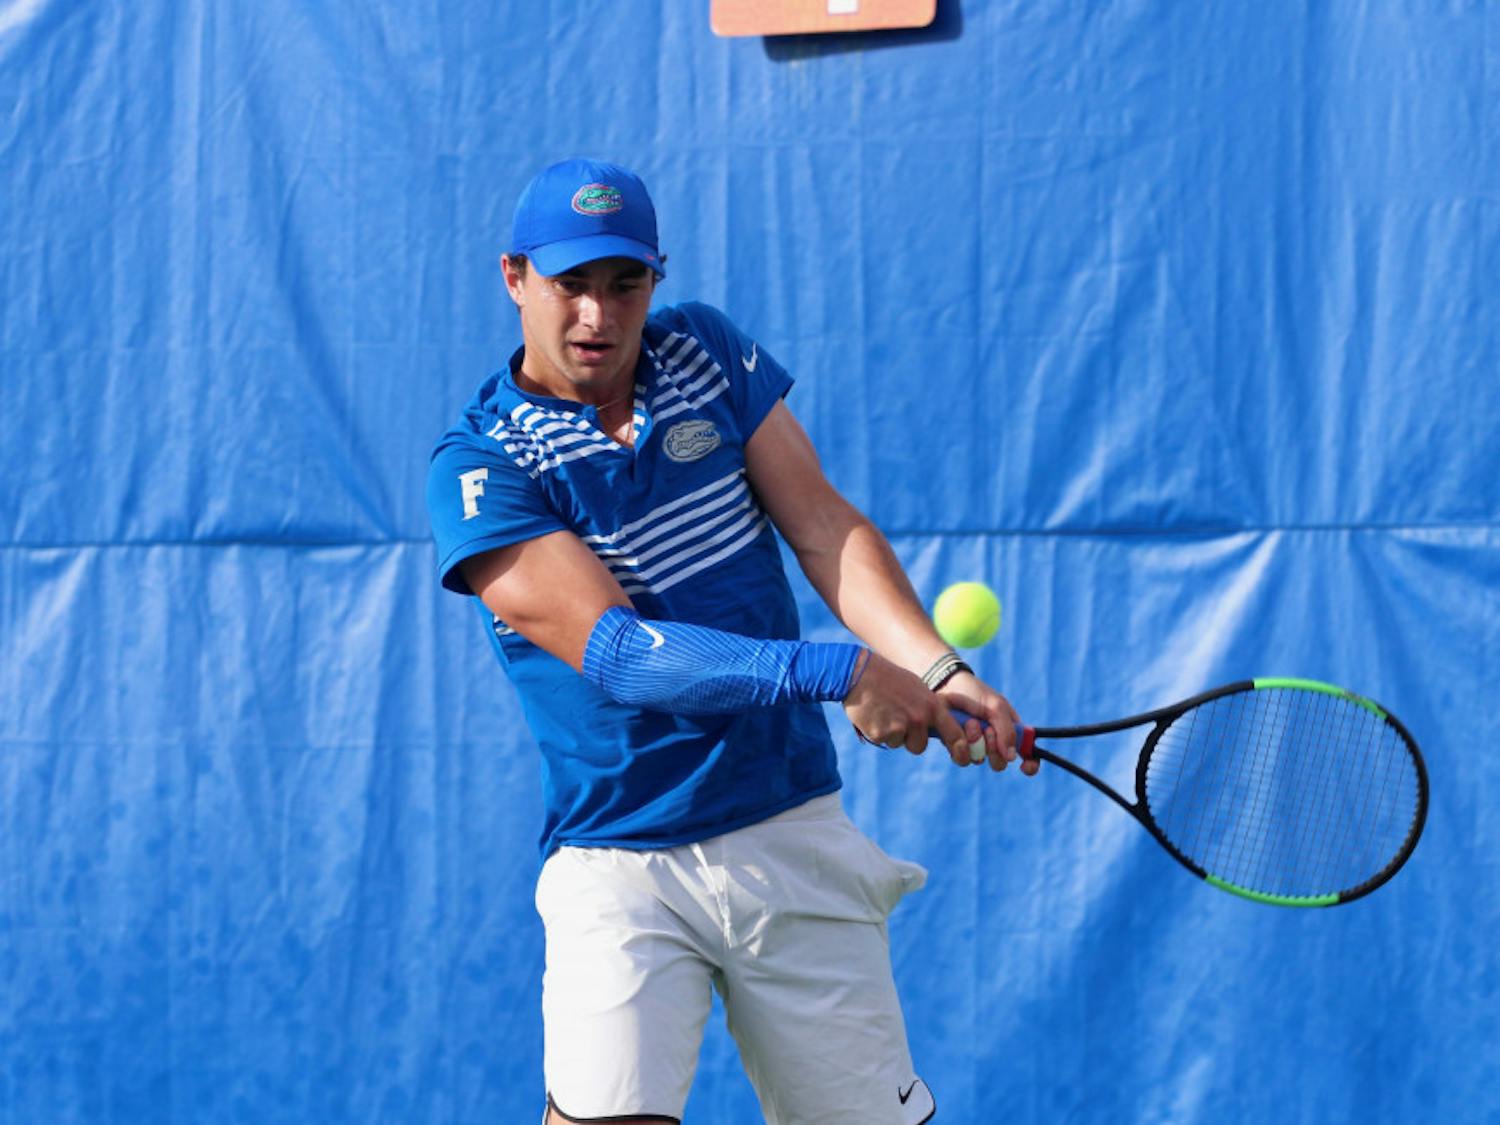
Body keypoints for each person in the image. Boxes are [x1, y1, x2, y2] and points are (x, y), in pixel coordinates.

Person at [425, 157, 1036, 1125]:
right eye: (569, 285)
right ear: (515, 278)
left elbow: (824, 528)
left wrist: (936, 668)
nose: (598, 314)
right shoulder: (483, 465)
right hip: (620, 856)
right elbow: (621, 657)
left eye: (624, 283)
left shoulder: (705, 353)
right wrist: (839, 672)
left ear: (654, 283)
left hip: (785, 824)